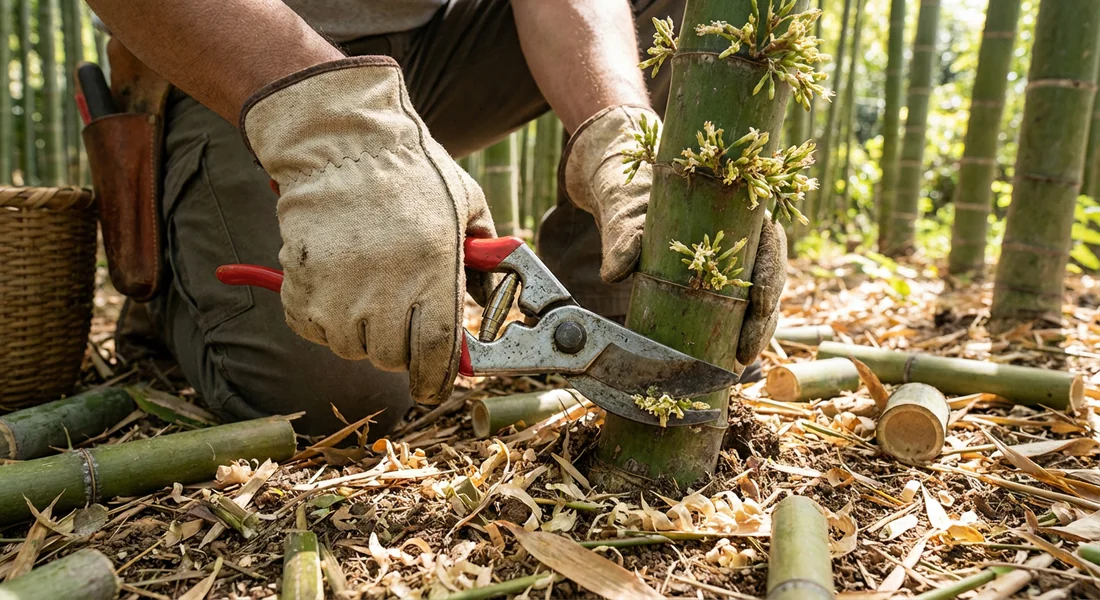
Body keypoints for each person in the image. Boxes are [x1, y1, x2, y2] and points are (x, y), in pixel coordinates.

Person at [88, 0, 786, 437]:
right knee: (338, 401)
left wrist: (616, 127)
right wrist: (338, 130)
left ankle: (621, 303)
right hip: (229, 56)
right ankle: (174, 277)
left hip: (433, 50)